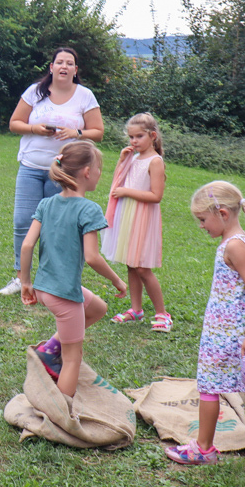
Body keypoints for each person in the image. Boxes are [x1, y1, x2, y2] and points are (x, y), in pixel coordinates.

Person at [165, 181, 245, 468]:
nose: (201, 226)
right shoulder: (242, 241)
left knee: (209, 387)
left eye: (203, 219)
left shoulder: (234, 245)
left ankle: (203, 449)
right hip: (235, 331)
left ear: (222, 213)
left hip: (227, 333)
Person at [18, 140, 127, 398]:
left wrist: (26, 282)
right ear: (87, 172)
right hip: (64, 295)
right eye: (99, 169)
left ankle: (48, 350)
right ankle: (62, 412)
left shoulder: (47, 204)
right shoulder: (89, 209)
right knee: (72, 359)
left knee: (98, 308)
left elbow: (27, 245)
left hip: (45, 288)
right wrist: (116, 280)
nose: (100, 174)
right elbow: (92, 257)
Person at [0, 47, 104, 297]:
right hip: (31, 168)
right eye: (60, 62)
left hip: (65, 172)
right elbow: (14, 123)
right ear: (52, 67)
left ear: (75, 70)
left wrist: (76, 133)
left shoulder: (85, 96)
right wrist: (35, 129)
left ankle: (54, 280)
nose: (64, 66)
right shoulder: (35, 92)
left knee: (58, 227)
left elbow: (98, 132)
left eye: (69, 63)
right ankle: (20, 277)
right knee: (22, 222)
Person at [102, 112, 172, 332]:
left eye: (139, 136)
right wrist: (122, 160)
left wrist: (127, 192)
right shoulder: (133, 157)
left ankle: (162, 314)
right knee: (131, 264)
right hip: (127, 215)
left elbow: (156, 196)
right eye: (131, 137)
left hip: (143, 216)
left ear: (152, 136)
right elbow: (119, 182)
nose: (134, 141)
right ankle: (136, 309)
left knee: (142, 267)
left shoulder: (155, 161)